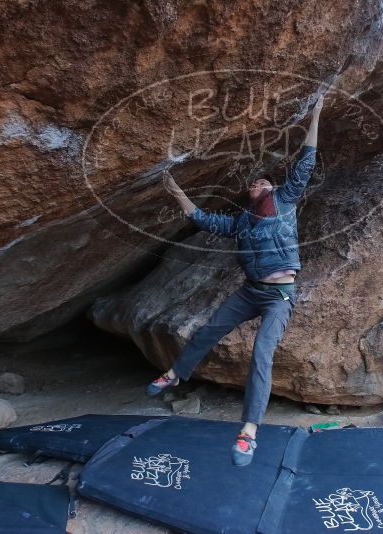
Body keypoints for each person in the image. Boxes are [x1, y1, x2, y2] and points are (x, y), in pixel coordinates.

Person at [146, 94, 324, 466]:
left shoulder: (286, 201)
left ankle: (248, 433)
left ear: (273, 188)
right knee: (209, 330)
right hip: (249, 292)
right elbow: (204, 219)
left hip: (279, 297)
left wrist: (317, 112)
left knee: (262, 354)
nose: (255, 185)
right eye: (252, 185)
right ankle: (175, 375)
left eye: (262, 182)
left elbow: (306, 161)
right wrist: (176, 191)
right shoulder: (241, 222)